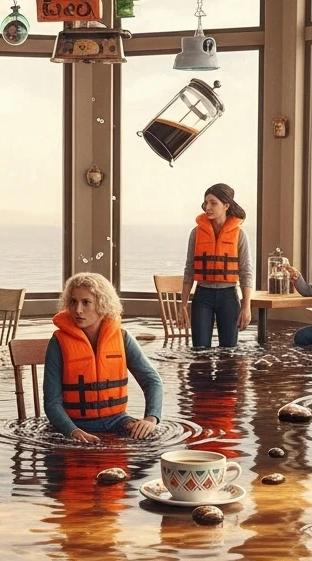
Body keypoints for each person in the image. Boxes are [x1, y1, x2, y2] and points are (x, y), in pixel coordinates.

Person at [44, 273, 163, 443]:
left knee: (151, 443)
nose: (78, 310)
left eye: (86, 302)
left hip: (117, 421)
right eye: (73, 302)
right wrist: (73, 431)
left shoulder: (122, 338)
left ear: (102, 304)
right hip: (73, 425)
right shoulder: (58, 343)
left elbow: (152, 381)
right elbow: (52, 402)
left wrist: (151, 418)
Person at [180, 183, 253, 349]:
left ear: (226, 205)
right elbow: (189, 269)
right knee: (199, 351)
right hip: (202, 296)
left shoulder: (239, 235)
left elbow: (246, 271)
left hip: (228, 297)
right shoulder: (196, 233)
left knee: (228, 353)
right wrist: (183, 305)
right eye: (206, 203)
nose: (208, 207)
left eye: (213, 203)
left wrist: (246, 306)